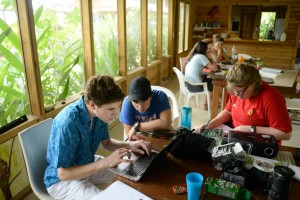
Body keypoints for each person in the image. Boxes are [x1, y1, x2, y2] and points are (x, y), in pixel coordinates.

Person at [44, 75, 151, 199]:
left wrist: (130, 145)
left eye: (117, 107)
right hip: (62, 181)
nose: (116, 114)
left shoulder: (99, 114)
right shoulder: (67, 123)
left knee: (134, 176)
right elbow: (63, 173)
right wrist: (106, 162)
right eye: (111, 109)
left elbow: (107, 143)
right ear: (92, 105)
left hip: (88, 163)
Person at [194, 63, 292, 144]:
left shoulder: (272, 98)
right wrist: (213, 122)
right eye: (233, 91)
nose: (237, 95)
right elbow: (228, 111)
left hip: (258, 141)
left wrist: (250, 129)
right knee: (197, 137)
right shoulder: (236, 89)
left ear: (253, 84)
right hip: (234, 134)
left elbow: (285, 133)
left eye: (240, 92)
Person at [120, 76, 172, 141]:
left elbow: (166, 123)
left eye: (144, 101)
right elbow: (130, 135)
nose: (140, 107)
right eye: (136, 102)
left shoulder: (160, 97)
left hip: (160, 136)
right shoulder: (127, 103)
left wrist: (137, 127)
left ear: (151, 96)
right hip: (140, 140)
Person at [184, 41, 219, 110]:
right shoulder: (202, 57)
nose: (209, 50)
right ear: (204, 49)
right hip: (195, 86)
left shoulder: (195, 56)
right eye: (207, 48)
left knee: (208, 77)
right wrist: (213, 55)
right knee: (212, 81)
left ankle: (206, 104)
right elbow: (215, 68)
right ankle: (209, 104)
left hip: (188, 84)